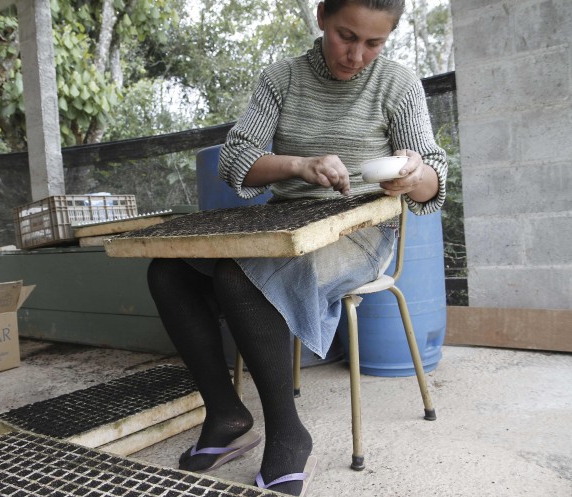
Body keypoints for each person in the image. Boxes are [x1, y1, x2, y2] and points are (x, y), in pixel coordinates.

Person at [147, 0, 447, 495]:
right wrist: (299, 166)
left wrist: (414, 176)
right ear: (322, 17)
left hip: (362, 229)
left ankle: (289, 435)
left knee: (236, 277)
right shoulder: (281, 78)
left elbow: (434, 178)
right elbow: (236, 159)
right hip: (286, 221)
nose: (357, 54)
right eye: (346, 36)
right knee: (167, 272)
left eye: (374, 43)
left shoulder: (397, 83)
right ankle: (225, 414)